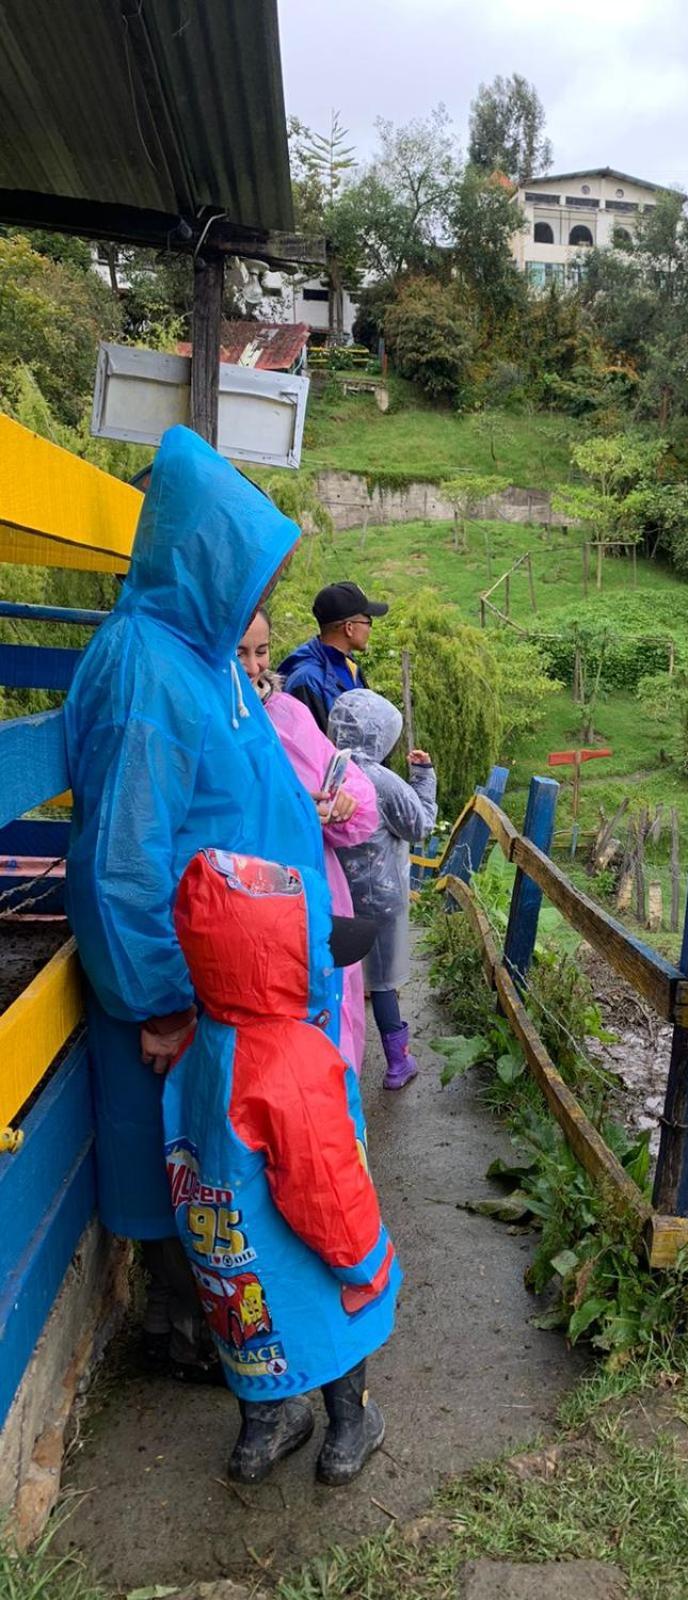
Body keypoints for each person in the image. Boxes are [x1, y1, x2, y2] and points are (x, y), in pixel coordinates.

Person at [64, 425, 339, 1381]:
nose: (262, 594)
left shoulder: (200, 650)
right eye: (247, 567)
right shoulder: (144, 666)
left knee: (227, 1170)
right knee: (192, 1174)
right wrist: (164, 997)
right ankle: (190, 1341)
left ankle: (225, 1338)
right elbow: (120, 862)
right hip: (186, 997)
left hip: (237, 987)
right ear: (199, 557)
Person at [165, 849, 398, 1486]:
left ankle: (261, 1435)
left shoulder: (209, 1036)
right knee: (336, 1322)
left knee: (254, 1340)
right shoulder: (294, 1062)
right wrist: (363, 1259)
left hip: (229, 1257)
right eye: (318, 948)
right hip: (301, 1252)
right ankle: (350, 1430)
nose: (330, 961)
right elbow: (324, 1182)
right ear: (282, 963)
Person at [238, 607, 378, 1074]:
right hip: (248, 918)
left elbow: (354, 788)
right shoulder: (207, 726)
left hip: (320, 901)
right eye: (240, 653)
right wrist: (298, 809)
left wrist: (341, 805)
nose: (255, 667)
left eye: (261, 651)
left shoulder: (288, 712)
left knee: (333, 1035)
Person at [327, 690, 437, 1090]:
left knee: (338, 980)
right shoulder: (381, 779)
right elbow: (420, 825)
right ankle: (397, 1062)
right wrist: (424, 779)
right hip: (381, 898)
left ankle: (336, 1062)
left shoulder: (326, 769)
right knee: (382, 982)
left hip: (336, 895)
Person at [277, 581, 389, 733]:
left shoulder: (349, 665)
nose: (370, 628)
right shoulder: (306, 681)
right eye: (368, 622)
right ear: (349, 628)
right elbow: (314, 749)